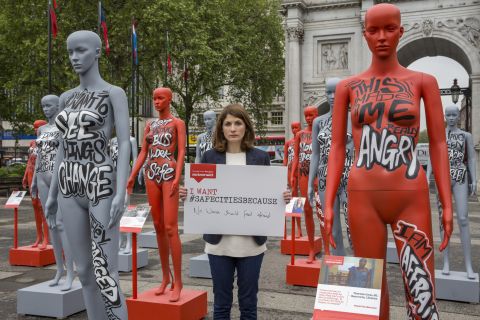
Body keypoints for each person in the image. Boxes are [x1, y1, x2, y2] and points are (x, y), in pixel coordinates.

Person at [323, 4, 453, 319]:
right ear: (364, 34)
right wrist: (327, 202)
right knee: (367, 295)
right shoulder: (347, 88)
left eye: (389, 29)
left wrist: (446, 204)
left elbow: (438, 143)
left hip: (410, 195)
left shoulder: (424, 82)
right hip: (362, 195)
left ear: (401, 31)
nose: (382, 37)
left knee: (421, 293)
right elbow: (338, 147)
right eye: (374, 30)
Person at [45, 30, 130, 319]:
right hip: (70, 182)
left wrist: (121, 190)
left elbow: (125, 145)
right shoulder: (67, 98)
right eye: (70, 52)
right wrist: (53, 192)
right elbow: (61, 147)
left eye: (80, 51)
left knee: (107, 271)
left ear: (96, 52)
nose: (73, 58)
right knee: (84, 270)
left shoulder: (114, 93)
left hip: (100, 181)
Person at [179, 104, 291, 320]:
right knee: (221, 304)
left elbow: (269, 195)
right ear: (221, 128)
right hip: (218, 244)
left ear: (246, 127)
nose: (232, 128)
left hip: (251, 245)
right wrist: (188, 193)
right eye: (228, 123)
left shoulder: (260, 157)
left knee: (249, 304)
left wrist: (282, 197)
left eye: (238, 123)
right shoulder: (210, 157)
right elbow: (202, 191)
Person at [127, 87, 186, 302]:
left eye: (160, 98)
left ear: (169, 100)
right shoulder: (150, 125)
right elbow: (144, 150)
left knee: (171, 227)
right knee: (158, 226)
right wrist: (133, 174)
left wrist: (178, 176)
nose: (156, 102)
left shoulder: (177, 123)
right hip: (151, 173)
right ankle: (164, 278)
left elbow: (181, 152)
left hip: (168, 173)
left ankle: (178, 281)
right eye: (154, 98)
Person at [31, 95, 75, 291]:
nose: (45, 109)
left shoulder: (64, 126)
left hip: (58, 177)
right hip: (41, 176)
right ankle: (59, 269)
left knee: (60, 223)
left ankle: (71, 272)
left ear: (58, 106)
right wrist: (33, 180)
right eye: (43, 106)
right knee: (51, 225)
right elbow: (39, 156)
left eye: (49, 105)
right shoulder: (41, 129)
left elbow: (69, 154)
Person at [427, 105, 476, 278]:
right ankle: (446, 262)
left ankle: (469, 265)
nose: (452, 117)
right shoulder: (439, 135)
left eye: (455, 114)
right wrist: (427, 175)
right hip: (443, 178)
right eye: (449, 115)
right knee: (443, 220)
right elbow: (433, 156)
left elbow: (471, 158)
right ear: (445, 116)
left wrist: (474, 179)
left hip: (460, 175)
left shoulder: (465, 136)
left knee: (463, 218)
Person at [308, 78, 354, 255]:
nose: (332, 96)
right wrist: (311, 182)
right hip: (325, 178)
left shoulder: (353, 118)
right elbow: (316, 154)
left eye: (336, 91)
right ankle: (338, 269)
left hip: (348, 176)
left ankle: (360, 267)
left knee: (353, 226)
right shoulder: (319, 122)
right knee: (332, 228)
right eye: (328, 92)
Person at [290, 106, 318, 263]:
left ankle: (327, 250)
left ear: (317, 115)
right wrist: (293, 175)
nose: (308, 118)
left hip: (318, 175)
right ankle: (311, 249)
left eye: (311, 115)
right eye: (306, 116)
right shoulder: (300, 135)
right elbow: (296, 157)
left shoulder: (320, 133)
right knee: (307, 210)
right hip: (303, 175)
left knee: (322, 213)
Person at [22, 119, 49, 249]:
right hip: (31, 175)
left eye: (37, 127)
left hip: (41, 176)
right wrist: (25, 175)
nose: (35, 130)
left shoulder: (47, 143)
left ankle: (46, 238)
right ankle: (38, 236)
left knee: (42, 207)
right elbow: (30, 161)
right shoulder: (32, 142)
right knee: (34, 206)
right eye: (34, 127)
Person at [283, 122, 302, 236]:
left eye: (296, 127)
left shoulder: (303, 142)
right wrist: (283, 173)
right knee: (294, 199)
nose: (294, 130)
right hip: (291, 172)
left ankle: (299, 228)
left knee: (300, 199)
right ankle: (297, 229)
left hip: (301, 171)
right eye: (293, 128)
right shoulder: (288, 143)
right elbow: (285, 159)